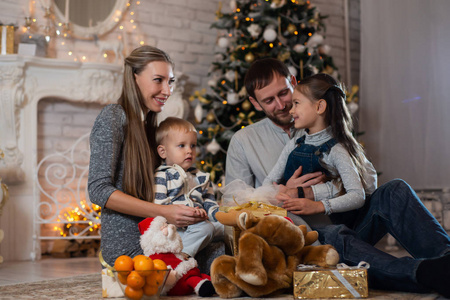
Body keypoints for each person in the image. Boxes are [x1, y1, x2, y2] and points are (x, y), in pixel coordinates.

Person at [225, 57, 450, 297]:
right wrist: (279, 192)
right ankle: (425, 272)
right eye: (269, 100)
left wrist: (315, 193)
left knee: (395, 190)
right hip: (306, 238)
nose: (281, 105)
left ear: (293, 82)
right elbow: (233, 207)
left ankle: (446, 258)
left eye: (284, 94)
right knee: (331, 235)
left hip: (349, 217)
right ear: (255, 103)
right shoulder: (243, 141)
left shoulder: (323, 125)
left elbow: (368, 183)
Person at [88, 45, 206, 267]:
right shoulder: (113, 117)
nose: (167, 90)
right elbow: (98, 190)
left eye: (170, 81)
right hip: (129, 244)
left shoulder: (151, 128)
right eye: (158, 80)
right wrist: (164, 212)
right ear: (134, 79)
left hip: (159, 232)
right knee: (204, 265)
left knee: (219, 249)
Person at [263, 73, 377, 223]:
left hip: (331, 227)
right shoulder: (294, 143)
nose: (291, 110)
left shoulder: (336, 150)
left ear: (319, 106)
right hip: (298, 223)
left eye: (297, 103)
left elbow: (357, 196)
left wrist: (318, 206)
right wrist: (282, 192)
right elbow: (268, 182)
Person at [154, 117, 224, 258]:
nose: (189, 151)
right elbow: (160, 205)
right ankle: (180, 257)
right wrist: (187, 215)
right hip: (176, 228)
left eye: (193, 145)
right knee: (206, 228)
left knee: (226, 227)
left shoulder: (201, 177)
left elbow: (210, 202)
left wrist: (218, 215)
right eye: (182, 145)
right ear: (163, 152)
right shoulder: (162, 176)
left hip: (200, 223)